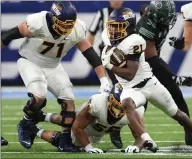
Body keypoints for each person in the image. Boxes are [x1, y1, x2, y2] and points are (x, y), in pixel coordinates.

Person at [101, 7, 192, 157]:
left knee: (177, 113)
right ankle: (146, 139)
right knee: (127, 104)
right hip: (130, 89)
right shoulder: (107, 36)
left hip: (149, 83)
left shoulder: (136, 40)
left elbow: (130, 73)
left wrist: (109, 65)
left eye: (118, 27)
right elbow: (105, 40)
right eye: (112, 26)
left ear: (128, 27)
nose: (113, 31)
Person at [1, 1, 111, 152]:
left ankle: (64, 141)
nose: (66, 28)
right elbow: (8, 35)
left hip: (53, 65)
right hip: (30, 60)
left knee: (69, 101)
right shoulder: (38, 22)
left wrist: (103, 79)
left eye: (69, 25)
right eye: (63, 24)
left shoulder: (77, 28)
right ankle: (26, 124)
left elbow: (89, 53)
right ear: (53, 18)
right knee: (39, 96)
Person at [135, 0, 192, 146]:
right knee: (140, 102)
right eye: (164, 19)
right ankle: (129, 134)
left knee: (176, 94)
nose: (168, 21)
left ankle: (190, 134)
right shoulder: (147, 25)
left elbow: (143, 8)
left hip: (152, 60)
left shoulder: (156, 14)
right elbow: (152, 60)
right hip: (139, 65)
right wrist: (176, 78)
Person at [28, 84, 149, 153]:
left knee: (75, 124)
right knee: (70, 134)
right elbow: (77, 127)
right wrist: (88, 147)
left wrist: (136, 147)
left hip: (99, 130)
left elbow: (141, 135)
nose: (118, 109)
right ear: (109, 99)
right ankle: (34, 130)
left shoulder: (135, 110)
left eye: (122, 106)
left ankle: (41, 116)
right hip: (87, 125)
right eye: (116, 104)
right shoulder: (98, 103)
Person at [87, 0, 124, 149]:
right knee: (109, 91)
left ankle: (115, 128)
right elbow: (91, 34)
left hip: (123, 58)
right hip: (107, 57)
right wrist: (90, 56)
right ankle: (100, 126)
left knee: (122, 93)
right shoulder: (102, 13)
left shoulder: (126, 14)